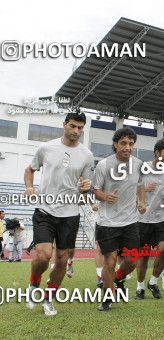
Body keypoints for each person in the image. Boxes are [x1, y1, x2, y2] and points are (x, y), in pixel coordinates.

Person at [24, 111, 94, 316]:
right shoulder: (46, 148)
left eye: (80, 128)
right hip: (45, 210)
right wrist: (29, 188)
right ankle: (33, 285)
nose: (76, 131)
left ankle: (49, 299)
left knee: (62, 260)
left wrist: (85, 189)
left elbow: (86, 187)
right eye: (73, 126)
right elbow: (30, 170)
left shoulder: (87, 155)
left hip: (70, 213)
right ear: (64, 125)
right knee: (44, 256)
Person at [93, 127, 147, 311]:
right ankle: (107, 297)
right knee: (110, 260)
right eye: (123, 143)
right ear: (115, 144)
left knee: (132, 259)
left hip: (130, 221)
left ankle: (116, 278)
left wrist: (141, 201)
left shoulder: (139, 164)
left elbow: (140, 185)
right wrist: (105, 197)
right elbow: (95, 190)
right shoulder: (104, 165)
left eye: (131, 144)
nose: (127, 147)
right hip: (107, 221)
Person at [135, 139, 164, 300]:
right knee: (143, 256)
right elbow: (131, 188)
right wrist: (145, 190)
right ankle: (140, 287)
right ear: (157, 153)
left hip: (162, 218)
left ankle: (153, 282)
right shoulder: (142, 168)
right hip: (143, 219)